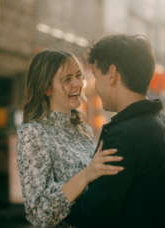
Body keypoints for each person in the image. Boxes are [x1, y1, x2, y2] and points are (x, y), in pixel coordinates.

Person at [63, 34, 165, 228]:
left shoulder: (123, 137)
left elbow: (91, 214)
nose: (97, 86)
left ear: (111, 74)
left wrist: (51, 205)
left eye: (96, 76)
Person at [17, 50, 124, 227]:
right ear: (46, 88)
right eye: (67, 79)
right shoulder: (33, 132)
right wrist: (86, 175)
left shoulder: (83, 130)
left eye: (78, 76)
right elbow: (38, 213)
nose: (77, 84)